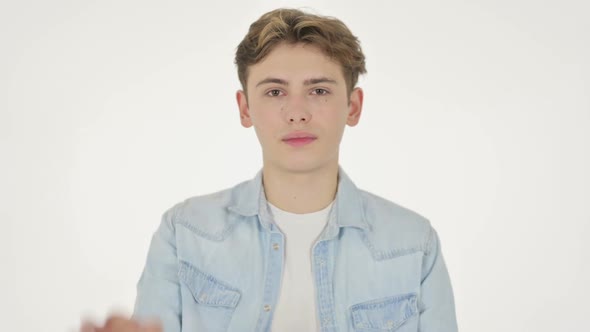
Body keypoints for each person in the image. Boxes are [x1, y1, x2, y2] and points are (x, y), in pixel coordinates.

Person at [80, 7, 458, 332]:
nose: (297, 112)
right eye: (275, 91)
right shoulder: (184, 233)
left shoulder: (414, 244)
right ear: (245, 108)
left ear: (353, 106)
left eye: (319, 90)